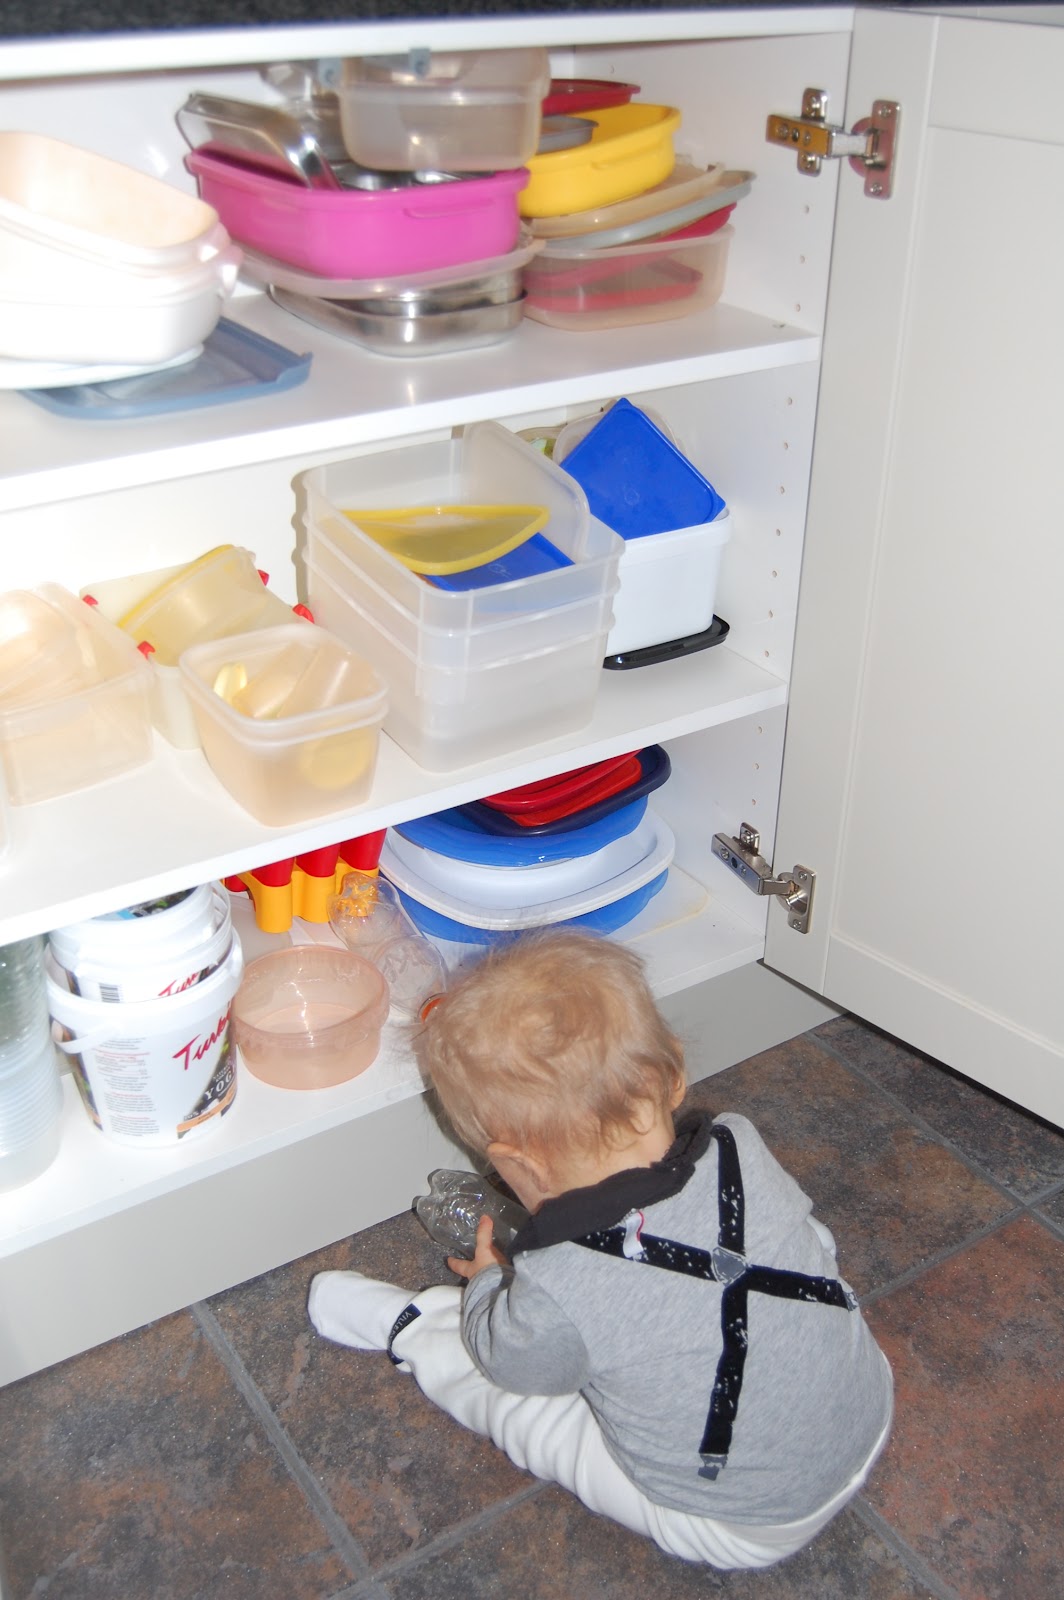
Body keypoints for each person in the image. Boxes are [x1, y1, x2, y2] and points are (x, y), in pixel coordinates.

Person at [308, 929, 893, 1569]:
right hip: (870, 1413)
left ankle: (417, 1328)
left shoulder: (559, 1276)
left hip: (744, 1524)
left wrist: (486, 1285)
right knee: (796, 1237)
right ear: (671, 1073)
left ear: (515, 1166)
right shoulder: (736, 1142)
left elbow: (516, 1368)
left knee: (537, 1417)